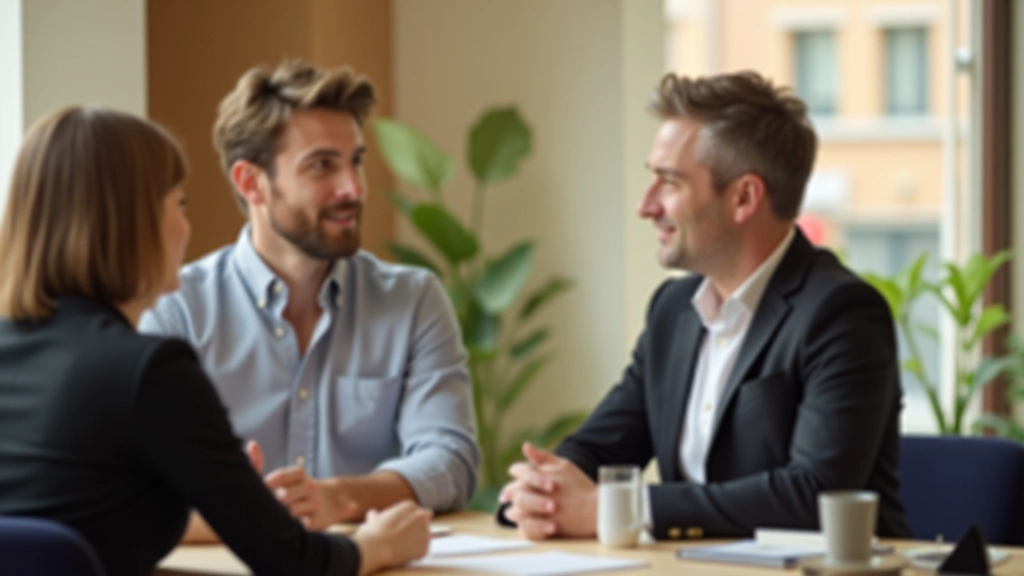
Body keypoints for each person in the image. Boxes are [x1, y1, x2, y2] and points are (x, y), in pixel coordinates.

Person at [0, 106, 431, 576]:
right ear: (134, 224)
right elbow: (292, 562)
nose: (186, 227)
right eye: (179, 203)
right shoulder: (148, 372)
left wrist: (234, 493)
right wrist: (378, 546)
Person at [498, 71, 911, 541]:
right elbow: (601, 448)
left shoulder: (842, 313)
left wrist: (622, 508)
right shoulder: (673, 310)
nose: (645, 205)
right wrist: (540, 491)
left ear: (743, 198)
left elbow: (814, 495)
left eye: (668, 183)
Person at [139, 60, 479, 534]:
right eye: (322, 165)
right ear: (250, 182)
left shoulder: (413, 301)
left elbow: (451, 461)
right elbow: (143, 485)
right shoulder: (177, 311)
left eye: (355, 161)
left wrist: (338, 497)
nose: (353, 188)